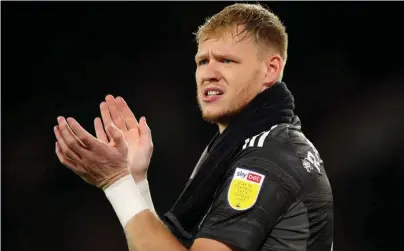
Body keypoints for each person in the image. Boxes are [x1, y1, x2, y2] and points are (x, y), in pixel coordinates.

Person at [53, 3, 333, 251]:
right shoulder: (250, 146)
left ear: (270, 69)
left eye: (226, 60)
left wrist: (116, 182)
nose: (209, 73)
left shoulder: (264, 160)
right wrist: (136, 181)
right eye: (202, 61)